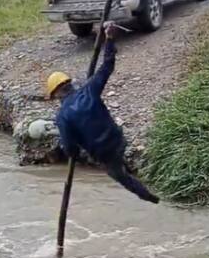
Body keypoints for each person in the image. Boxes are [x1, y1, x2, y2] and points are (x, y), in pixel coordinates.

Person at [46, 22, 160, 204]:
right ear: (70, 83)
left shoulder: (63, 117)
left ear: (56, 94)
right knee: (120, 158)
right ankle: (144, 174)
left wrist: (74, 155)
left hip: (104, 153)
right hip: (118, 138)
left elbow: (70, 147)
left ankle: (151, 198)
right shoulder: (89, 89)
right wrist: (110, 39)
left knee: (120, 175)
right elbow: (107, 66)